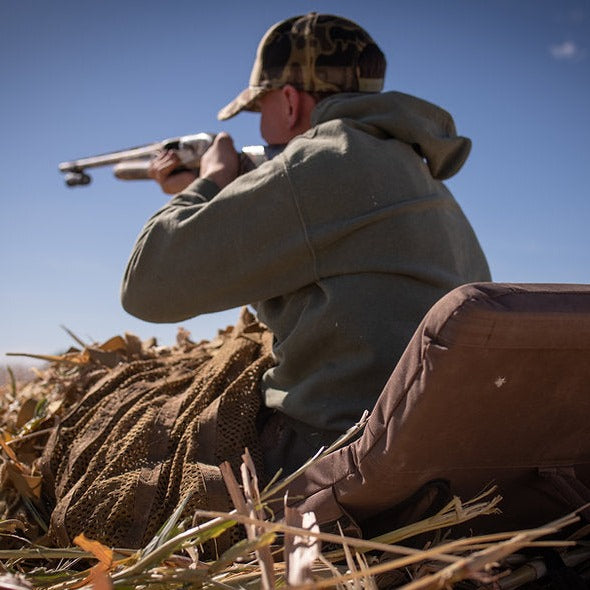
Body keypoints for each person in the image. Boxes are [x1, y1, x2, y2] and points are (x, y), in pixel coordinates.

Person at [121, 13, 491, 476]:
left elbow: (145, 286)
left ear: (291, 103)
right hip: (442, 449)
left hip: (344, 453)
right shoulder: (423, 177)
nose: (261, 129)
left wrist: (212, 182)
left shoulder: (314, 165)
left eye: (263, 109)